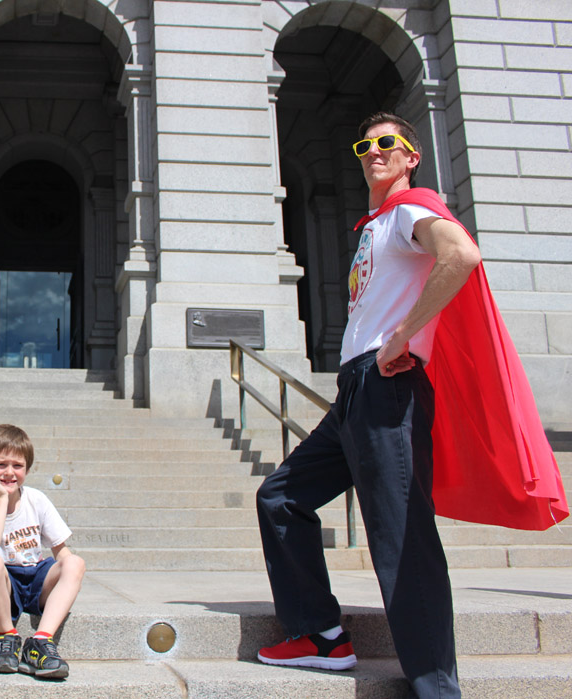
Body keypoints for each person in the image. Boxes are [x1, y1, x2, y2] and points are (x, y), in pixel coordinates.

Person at [255, 112, 483, 698]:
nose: (374, 152)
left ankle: (437, 688)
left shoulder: (412, 210)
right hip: (356, 390)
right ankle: (321, 635)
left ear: (411, 157)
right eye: (365, 144)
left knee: (401, 531)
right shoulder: (375, 225)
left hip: (389, 388)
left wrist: (404, 334)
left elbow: (461, 254)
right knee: (280, 496)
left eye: (388, 144)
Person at [0, 424, 86, 679]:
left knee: (75, 562)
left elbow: (60, 549)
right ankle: (7, 636)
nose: (9, 472)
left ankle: (40, 642)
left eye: (17, 466)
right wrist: (2, 501)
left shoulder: (36, 499)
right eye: (0, 465)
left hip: (35, 576)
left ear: (27, 469)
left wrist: (68, 575)